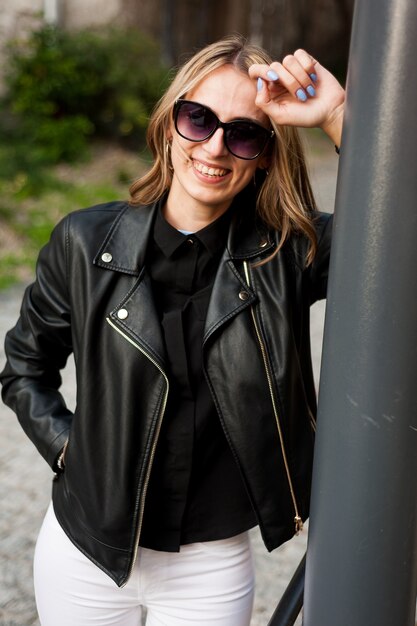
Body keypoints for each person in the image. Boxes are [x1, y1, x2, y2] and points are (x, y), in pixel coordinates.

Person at [0, 34, 345, 626]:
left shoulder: (290, 253)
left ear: (263, 152)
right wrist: (69, 449)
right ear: (168, 126)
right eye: (197, 118)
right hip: (85, 553)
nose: (215, 146)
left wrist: (339, 117)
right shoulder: (85, 244)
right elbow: (24, 367)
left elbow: (398, 241)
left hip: (207, 566)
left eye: (243, 132)